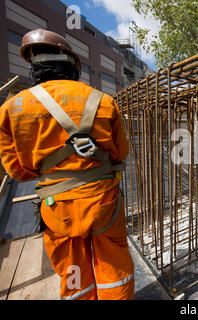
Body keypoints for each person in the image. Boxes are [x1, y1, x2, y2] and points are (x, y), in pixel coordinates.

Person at [0, 29, 134, 299]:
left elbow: (16, 170)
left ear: (34, 67)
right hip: (103, 204)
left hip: (57, 208)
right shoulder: (104, 102)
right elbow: (121, 153)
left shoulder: (11, 108)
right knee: (114, 269)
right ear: (73, 66)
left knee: (74, 275)